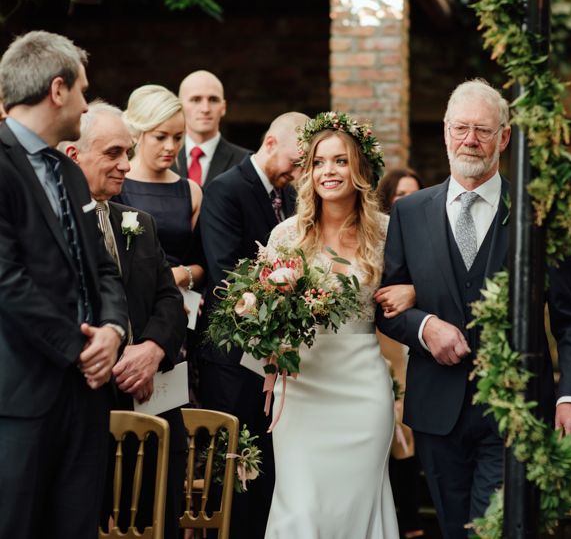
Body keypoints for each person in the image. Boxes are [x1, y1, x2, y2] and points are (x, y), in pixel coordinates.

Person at [376, 79, 571, 538]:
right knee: (457, 531)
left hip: (514, 408)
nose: (470, 140)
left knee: (495, 532)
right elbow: (387, 306)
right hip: (438, 411)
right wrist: (426, 327)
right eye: (460, 129)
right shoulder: (410, 213)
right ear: (444, 132)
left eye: (482, 130)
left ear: (505, 137)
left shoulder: (538, 214)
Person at [0, 31, 128, 539]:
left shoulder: (69, 172)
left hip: (87, 393)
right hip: (22, 394)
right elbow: (7, 280)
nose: (84, 103)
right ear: (58, 90)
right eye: (81, 90)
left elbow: (101, 267)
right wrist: (80, 348)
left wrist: (114, 330)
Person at [263, 112, 402, 539]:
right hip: (301, 386)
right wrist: (268, 356)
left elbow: (409, 292)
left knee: (357, 506)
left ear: (358, 168)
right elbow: (265, 316)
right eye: (319, 162)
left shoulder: (387, 233)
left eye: (340, 161)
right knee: (301, 507)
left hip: (362, 388)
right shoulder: (286, 237)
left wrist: (410, 294)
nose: (329, 172)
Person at [63, 101, 188, 539]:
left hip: (152, 405)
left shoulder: (139, 222)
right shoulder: (53, 228)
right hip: (87, 408)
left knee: (158, 520)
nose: (126, 165)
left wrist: (152, 349)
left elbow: (170, 301)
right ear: (74, 156)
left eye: (128, 152)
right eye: (113, 153)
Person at [197, 111, 309, 539]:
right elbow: (226, 274)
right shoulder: (225, 190)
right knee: (234, 466)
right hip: (231, 358)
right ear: (270, 143)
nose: (300, 173)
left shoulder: (293, 198)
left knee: (268, 465)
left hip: (274, 359)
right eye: (297, 162)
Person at [375, 167, 426, 539]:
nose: (408, 202)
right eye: (400, 196)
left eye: (414, 194)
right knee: (391, 420)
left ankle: (409, 520)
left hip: (417, 339)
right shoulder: (381, 235)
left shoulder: (425, 235)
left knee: (407, 424)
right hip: (385, 340)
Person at [114, 84, 205, 292]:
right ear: (138, 133)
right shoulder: (116, 184)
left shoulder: (192, 191)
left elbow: (203, 263)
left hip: (181, 303)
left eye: (178, 137)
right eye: (161, 136)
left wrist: (183, 274)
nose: (171, 147)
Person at [174, 70, 250, 187]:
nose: (205, 109)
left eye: (213, 100)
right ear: (180, 106)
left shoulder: (246, 162)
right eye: (196, 99)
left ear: (223, 107)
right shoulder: (164, 157)